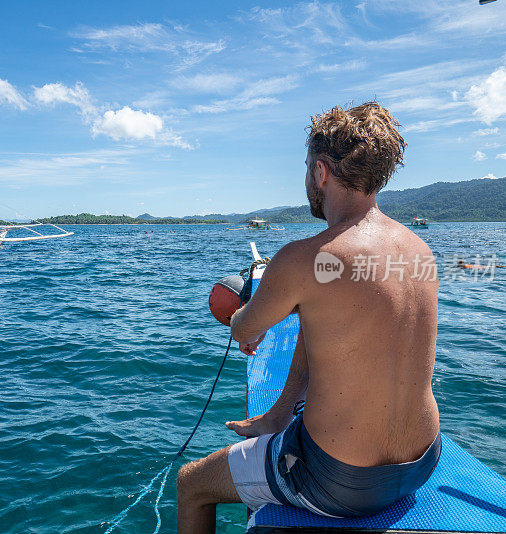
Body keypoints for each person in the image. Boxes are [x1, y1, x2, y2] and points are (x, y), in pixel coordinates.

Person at [176, 102, 441, 533]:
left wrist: (247, 311)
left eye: (305, 168)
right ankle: (280, 414)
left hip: (340, 481)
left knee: (191, 482)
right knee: (315, 323)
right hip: (423, 461)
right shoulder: (419, 251)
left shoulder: (306, 258)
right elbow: (338, 314)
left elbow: (244, 327)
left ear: (320, 172)